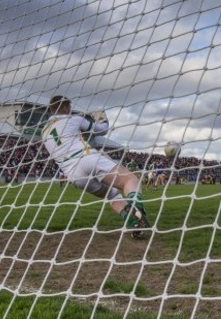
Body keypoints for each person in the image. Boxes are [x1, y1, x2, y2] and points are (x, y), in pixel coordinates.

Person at [41, 95, 150, 238]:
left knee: (112, 195)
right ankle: (136, 207)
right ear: (66, 107)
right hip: (86, 157)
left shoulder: (44, 132)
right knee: (130, 180)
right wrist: (102, 119)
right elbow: (101, 130)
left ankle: (135, 224)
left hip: (74, 175)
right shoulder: (73, 119)